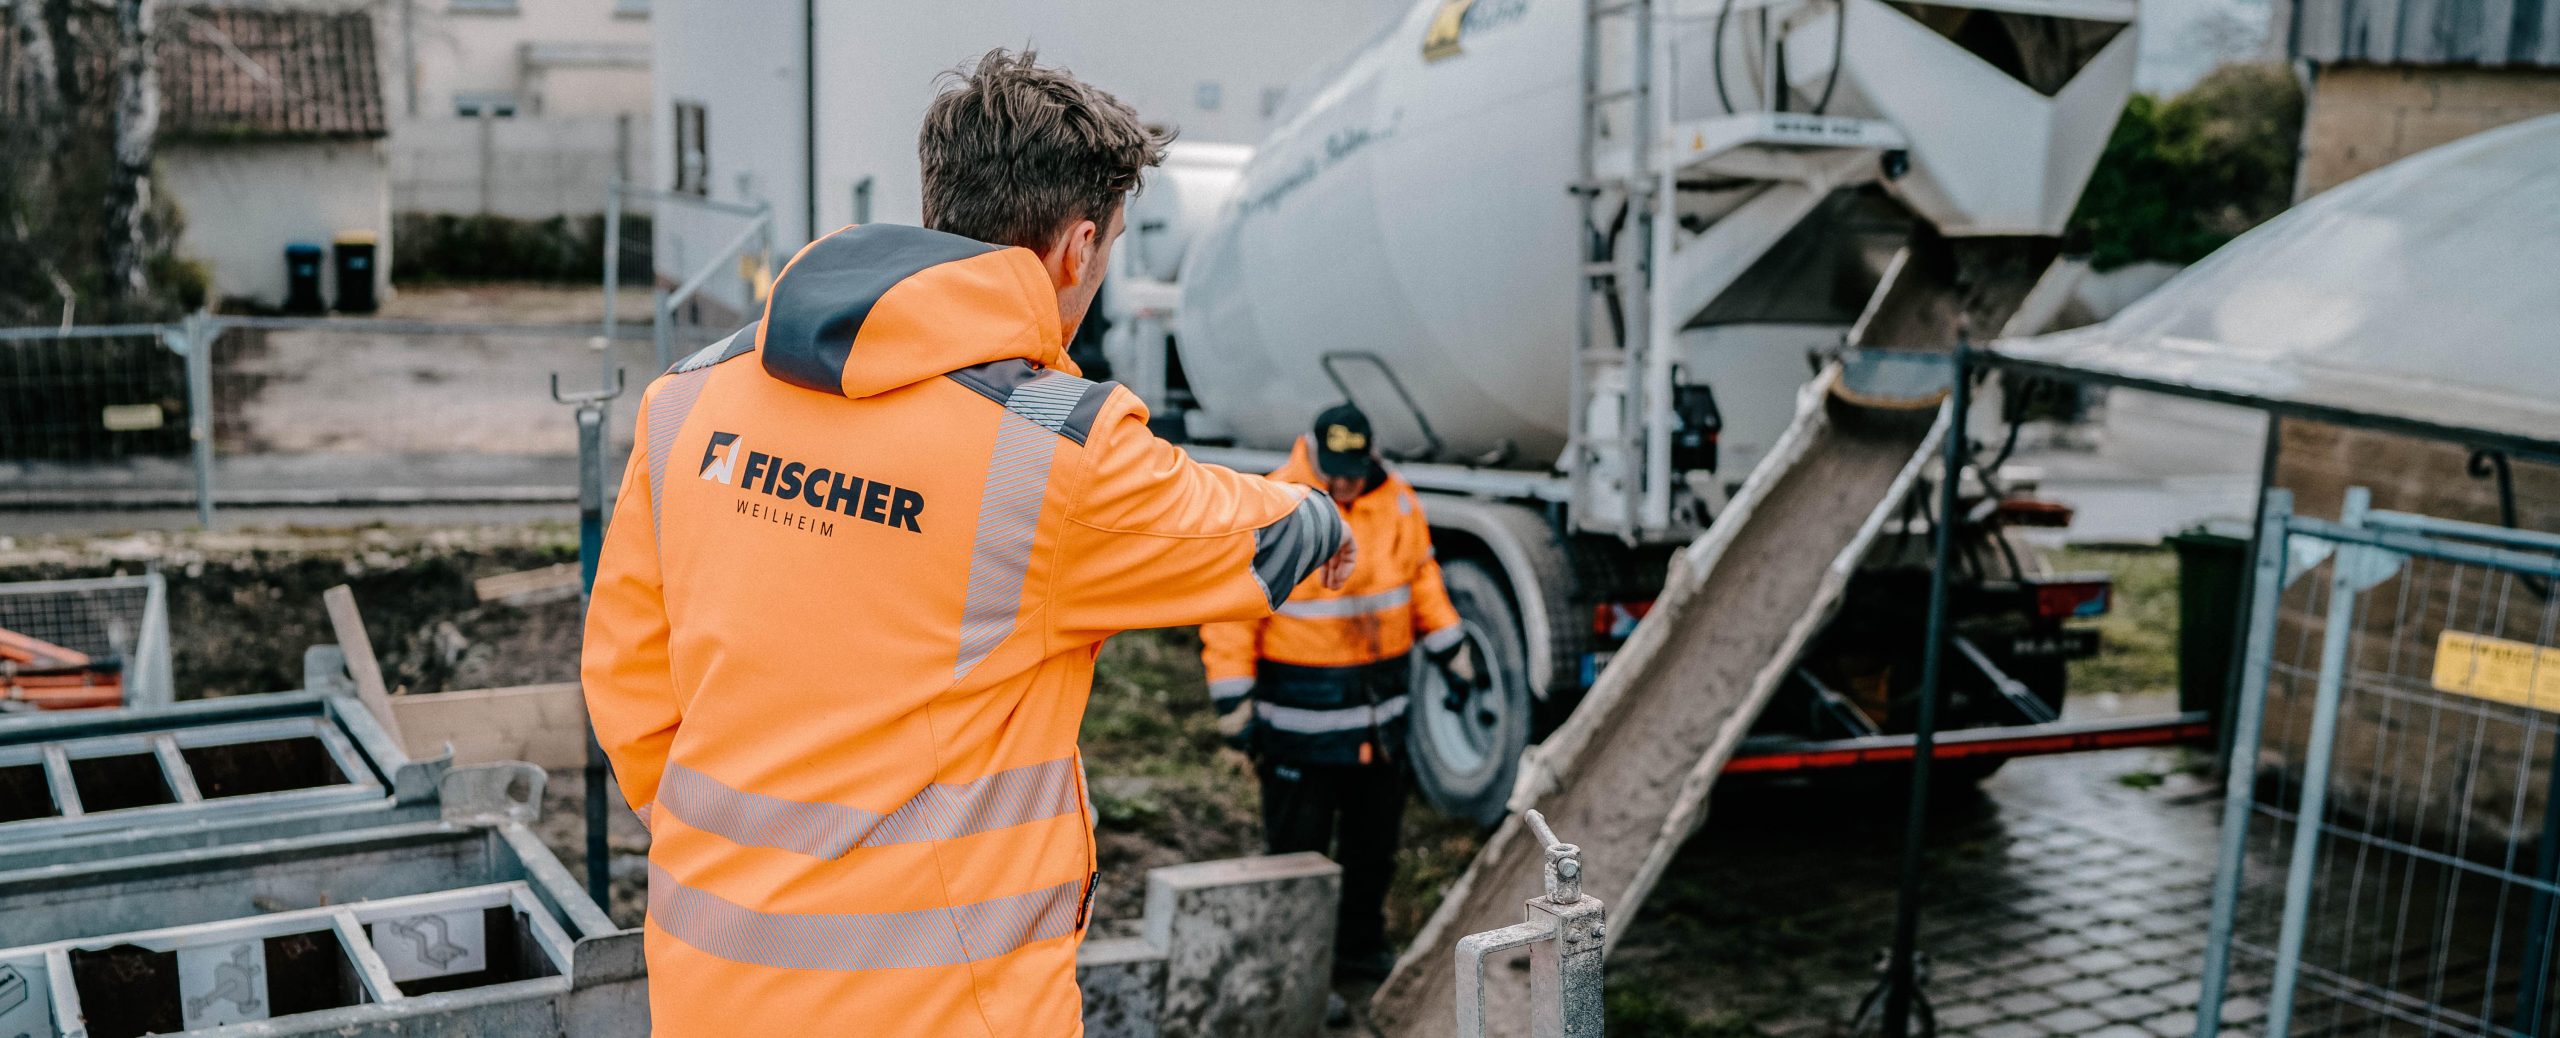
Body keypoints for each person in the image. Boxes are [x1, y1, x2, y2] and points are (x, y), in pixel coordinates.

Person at [582, 49, 1355, 1038]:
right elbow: (1242, 534)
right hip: (945, 1010)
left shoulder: (690, 397)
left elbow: (627, 679)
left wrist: (746, 858)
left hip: (711, 992)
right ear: (1078, 247)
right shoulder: (1053, 457)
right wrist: (1322, 516)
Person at [1198, 403, 1481, 981]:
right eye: (1334, 470)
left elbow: (1421, 577)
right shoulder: (1275, 503)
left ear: (1371, 456)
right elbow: (1232, 612)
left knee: (1372, 848)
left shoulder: (1398, 500)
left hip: (1381, 722)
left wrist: (1451, 649)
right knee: (1299, 856)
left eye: (1354, 470)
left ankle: (1359, 950)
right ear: (1314, 454)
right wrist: (1233, 703)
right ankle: (1297, 975)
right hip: (1299, 725)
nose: (1345, 483)